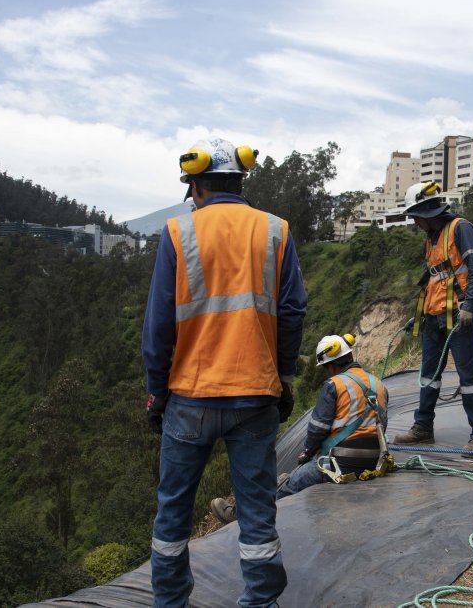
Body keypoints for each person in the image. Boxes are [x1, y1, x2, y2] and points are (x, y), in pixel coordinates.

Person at [142, 136, 307, 608]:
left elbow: (158, 325)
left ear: (195, 186)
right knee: (257, 513)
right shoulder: (275, 229)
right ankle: (259, 602)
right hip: (256, 396)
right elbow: (293, 310)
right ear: (240, 182)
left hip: (190, 396)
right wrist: (282, 374)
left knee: (173, 512)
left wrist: (157, 392)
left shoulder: (178, 233)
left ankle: (170, 603)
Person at [208, 333, 392, 523]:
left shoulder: (334, 385)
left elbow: (317, 428)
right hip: (376, 460)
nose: (325, 373)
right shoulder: (379, 384)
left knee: (288, 485)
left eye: (325, 369)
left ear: (331, 365)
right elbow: (381, 424)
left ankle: (238, 515)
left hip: (341, 462)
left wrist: (307, 452)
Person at [391, 181, 473, 459]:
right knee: (428, 377)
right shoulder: (431, 237)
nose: (414, 222)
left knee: (469, 377)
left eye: (414, 216)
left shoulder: (460, 228)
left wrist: (470, 304)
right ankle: (423, 427)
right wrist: (418, 315)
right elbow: (434, 279)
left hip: (459, 317)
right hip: (433, 317)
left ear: (424, 212)